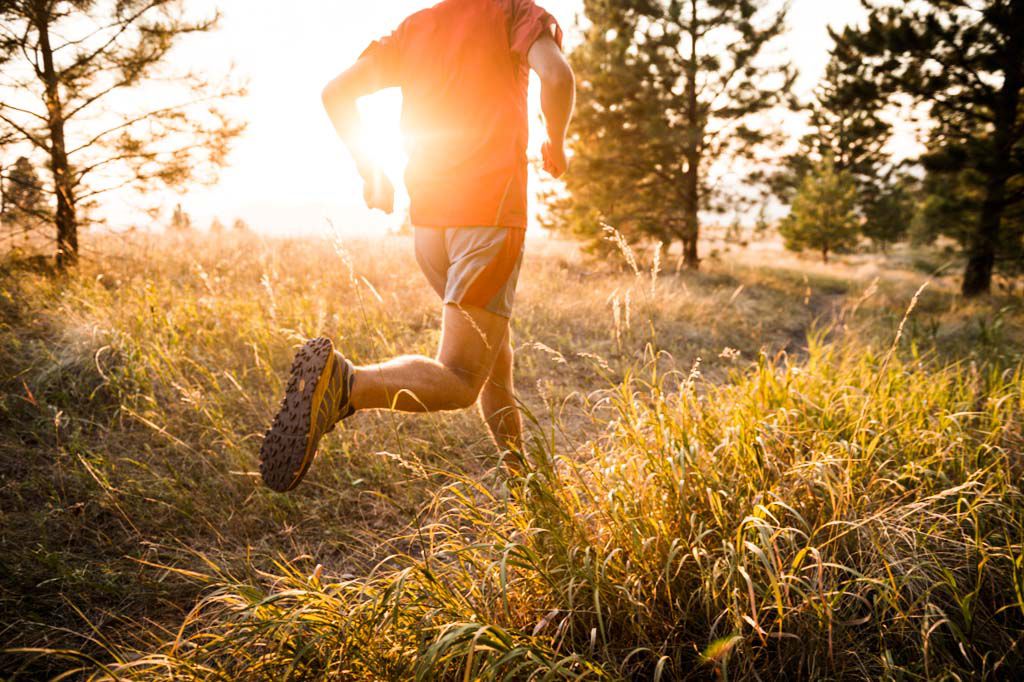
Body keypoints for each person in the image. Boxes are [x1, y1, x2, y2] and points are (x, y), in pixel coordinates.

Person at [259, 0, 575, 492]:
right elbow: (556, 77)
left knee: (496, 359)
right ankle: (345, 384)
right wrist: (557, 139)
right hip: (488, 219)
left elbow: (337, 92)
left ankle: (525, 486)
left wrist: (373, 171)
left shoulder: (416, 28)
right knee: (462, 376)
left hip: (430, 227)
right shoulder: (514, 13)